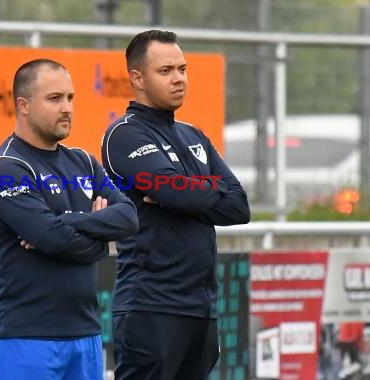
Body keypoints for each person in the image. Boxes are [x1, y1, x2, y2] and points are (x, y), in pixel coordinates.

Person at [101, 30, 251, 380]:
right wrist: (195, 191)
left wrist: (184, 191)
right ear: (137, 78)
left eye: (182, 69)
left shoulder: (193, 135)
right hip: (151, 306)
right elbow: (176, 193)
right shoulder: (125, 134)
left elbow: (240, 206)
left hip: (200, 308)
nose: (179, 78)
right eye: (166, 70)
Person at [0, 58, 138, 380]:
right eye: (55, 99)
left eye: (70, 98)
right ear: (23, 105)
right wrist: (98, 240)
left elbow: (129, 217)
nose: (66, 108)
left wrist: (65, 222)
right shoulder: (6, 168)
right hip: (25, 338)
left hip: (87, 335)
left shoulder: (83, 162)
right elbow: (53, 239)